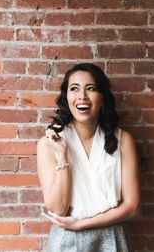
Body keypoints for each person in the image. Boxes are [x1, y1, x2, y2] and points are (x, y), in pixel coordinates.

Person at [37, 63, 140, 252]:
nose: (82, 96)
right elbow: (58, 209)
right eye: (74, 89)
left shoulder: (123, 140)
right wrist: (62, 155)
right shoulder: (48, 143)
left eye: (91, 88)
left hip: (111, 236)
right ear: (66, 96)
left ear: (102, 97)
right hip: (67, 240)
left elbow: (131, 206)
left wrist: (82, 225)